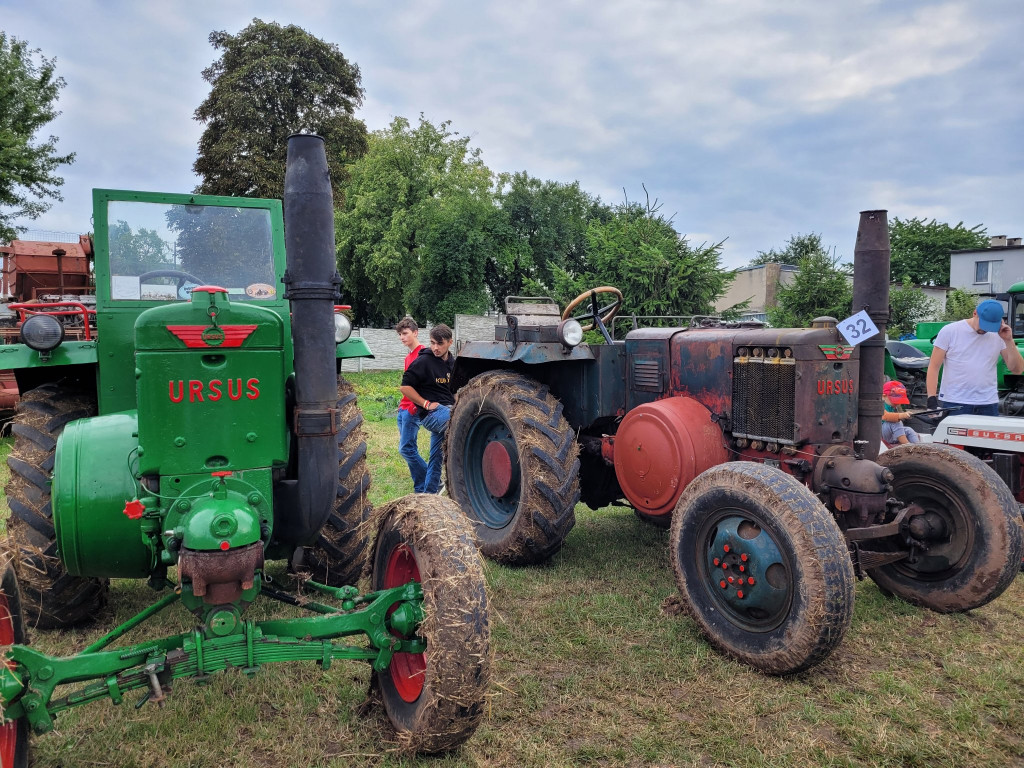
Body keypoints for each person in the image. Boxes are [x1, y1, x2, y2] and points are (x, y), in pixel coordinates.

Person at [926, 298, 1024, 416]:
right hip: (955, 402)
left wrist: (1009, 340)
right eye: (983, 324)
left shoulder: (999, 335)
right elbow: (934, 366)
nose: (985, 329)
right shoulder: (950, 331)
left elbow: (1017, 369)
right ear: (974, 313)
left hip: (988, 403)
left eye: (990, 326)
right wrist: (931, 399)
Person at [399, 323, 455, 494]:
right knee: (462, 420)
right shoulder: (424, 360)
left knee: (436, 457)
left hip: (448, 409)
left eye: (440, 344)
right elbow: (405, 387)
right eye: (432, 343)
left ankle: (429, 495)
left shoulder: (452, 362)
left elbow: (454, 390)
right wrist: (425, 403)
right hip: (431, 414)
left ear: (450, 342)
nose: (435, 348)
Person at [395, 317, 428, 492]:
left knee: (406, 449)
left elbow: (428, 383)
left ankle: (433, 479)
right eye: (400, 334)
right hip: (403, 408)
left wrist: (416, 406)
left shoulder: (424, 354)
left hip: (412, 409)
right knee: (409, 449)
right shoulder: (408, 357)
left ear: (415, 333)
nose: (402, 337)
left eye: (405, 333)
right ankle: (421, 488)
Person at [881, 380, 920, 445]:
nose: (897, 403)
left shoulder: (893, 407)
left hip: (892, 434)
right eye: (894, 401)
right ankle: (907, 445)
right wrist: (901, 415)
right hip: (881, 434)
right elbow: (886, 416)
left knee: (909, 430)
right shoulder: (880, 406)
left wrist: (906, 415)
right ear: (884, 396)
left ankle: (918, 446)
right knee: (895, 422)